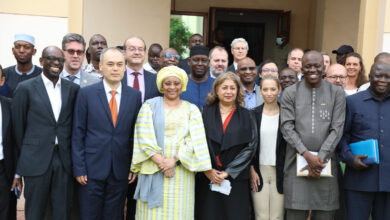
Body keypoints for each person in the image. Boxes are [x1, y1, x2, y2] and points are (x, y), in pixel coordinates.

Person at [130, 66, 211, 219]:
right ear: (161, 85)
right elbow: (144, 136)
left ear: (182, 86)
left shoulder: (192, 110)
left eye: (176, 83)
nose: (172, 87)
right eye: (167, 83)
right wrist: (162, 162)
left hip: (181, 173)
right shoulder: (149, 106)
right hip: (153, 168)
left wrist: (173, 161)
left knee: (179, 213)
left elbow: (194, 140)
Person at [72, 47, 141, 220]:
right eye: (110, 64)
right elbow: (78, 132)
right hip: (91, 169)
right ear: (101, 67)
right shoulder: (86, 93)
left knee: (115, 215)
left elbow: (135, 133)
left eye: (119, 64)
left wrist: (134, 165)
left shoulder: (134, 96)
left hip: (121, 169)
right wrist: (79, 167)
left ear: (125, 67)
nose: (115, 68)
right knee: (89, 215)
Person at [11, 46, 79, 219]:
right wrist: (18, 169)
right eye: (51, 58)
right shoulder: (25, 88)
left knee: (62, 211)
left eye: (60, 60)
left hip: (64, 161)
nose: (56, 63)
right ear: (41, 61)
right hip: (35, 160)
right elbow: (18, 131)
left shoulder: (73, 89)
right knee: (35, 212)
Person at [281, 50, 346, 219]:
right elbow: (287, 127)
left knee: (325, 213)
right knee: (295, 213)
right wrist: (307, 155)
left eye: (317, 66)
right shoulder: (290, 92)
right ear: (301, 69)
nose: (312, 70)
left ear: (324, 67)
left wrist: (320, 159)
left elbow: (337, 129)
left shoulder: (336, 93)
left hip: (326, 165)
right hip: (296, 163)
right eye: (307, 66)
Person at [195, 72, 258, 220]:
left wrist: (228, 172)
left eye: (232, 88)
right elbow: (197, 143)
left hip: (235, 178)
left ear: (238, 91)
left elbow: (251, 147)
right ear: (216, 90)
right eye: (224, 88)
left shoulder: (248, 115)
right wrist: (207, 169)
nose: (228, 92)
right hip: (208, 177)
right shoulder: (204, 112)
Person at [339, 62, 390, 220]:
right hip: (358, 180)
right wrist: (349, 157)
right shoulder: (352, 102)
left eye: (387, 77)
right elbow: (341, 136)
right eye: (378, 76)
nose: (383, 80)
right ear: (369, 78)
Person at [250, 75, 286, 220]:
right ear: (260, 91)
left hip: (281, 170)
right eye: (265, 89)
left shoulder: (287, 114)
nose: (269, 93)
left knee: (277, 216)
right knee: (261, 216)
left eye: (273, 89)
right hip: (259, 170)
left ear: (279, 90)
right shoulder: (252, 114)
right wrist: (251, 169)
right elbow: (248, 146)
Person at [122, 36, 160, 103]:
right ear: (124, 52)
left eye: (140, 49)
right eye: (132, 49)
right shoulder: (117, 77)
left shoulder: (155, 79)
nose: (137, 52)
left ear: (145, 53)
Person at [0, 95, 18, 220]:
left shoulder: (10, 105)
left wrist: (17, 173)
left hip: (4, 168)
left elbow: (16, 141)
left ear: (2, 81)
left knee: (5, 212)